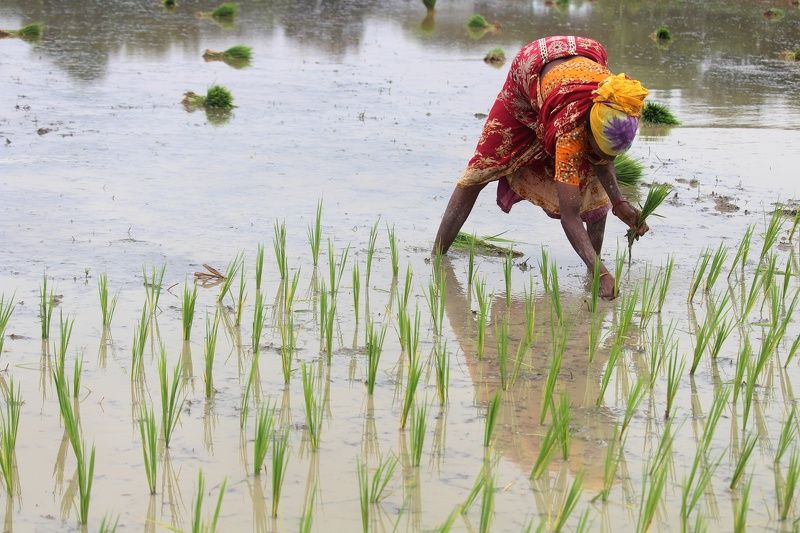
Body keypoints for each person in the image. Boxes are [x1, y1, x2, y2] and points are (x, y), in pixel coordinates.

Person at [433, 36, 650, 299]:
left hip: (580, 61)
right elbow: (570, 215)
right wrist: (602, 273)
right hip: (529, 76)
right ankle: (436, 256)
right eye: (596, 149)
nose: (602, 158)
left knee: (592, 183)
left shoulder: (617, 105)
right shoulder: (570, 132)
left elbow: (602, 160)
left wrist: (619, 203)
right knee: (482, 168)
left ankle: (592, 271)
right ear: (587, 131)